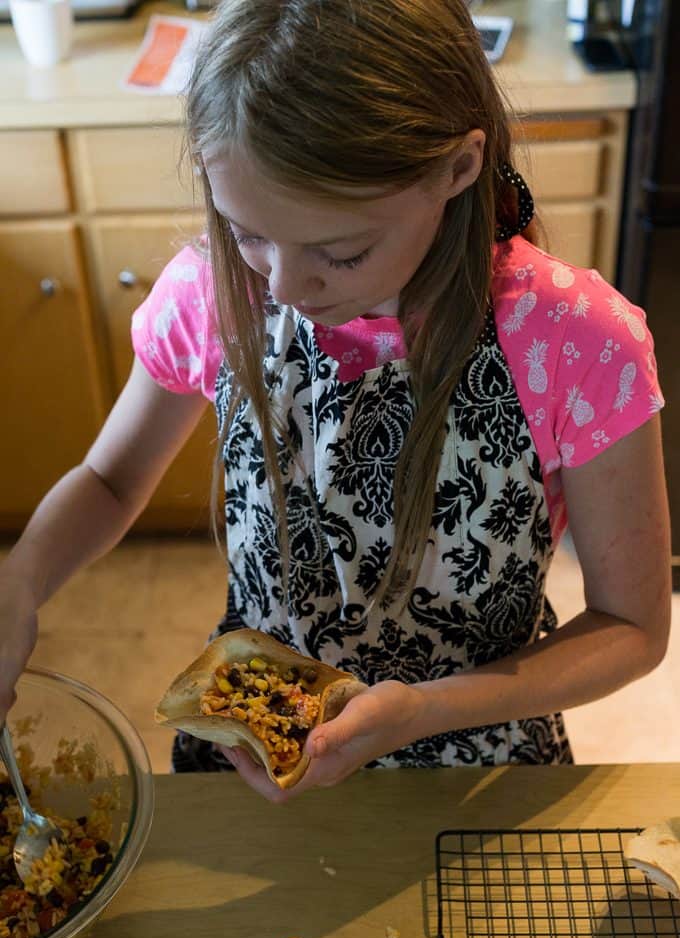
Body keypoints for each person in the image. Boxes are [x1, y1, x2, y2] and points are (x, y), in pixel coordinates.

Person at [0, 0, 671, 804]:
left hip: (476, 764)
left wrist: (419, 710)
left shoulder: (574, 341)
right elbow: (110, 483)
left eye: (340, 252)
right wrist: (22, 580)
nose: (282, 286)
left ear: (457, 169)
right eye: (246, 232)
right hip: (254, 748)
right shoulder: (220, 293)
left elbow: (631, 627)